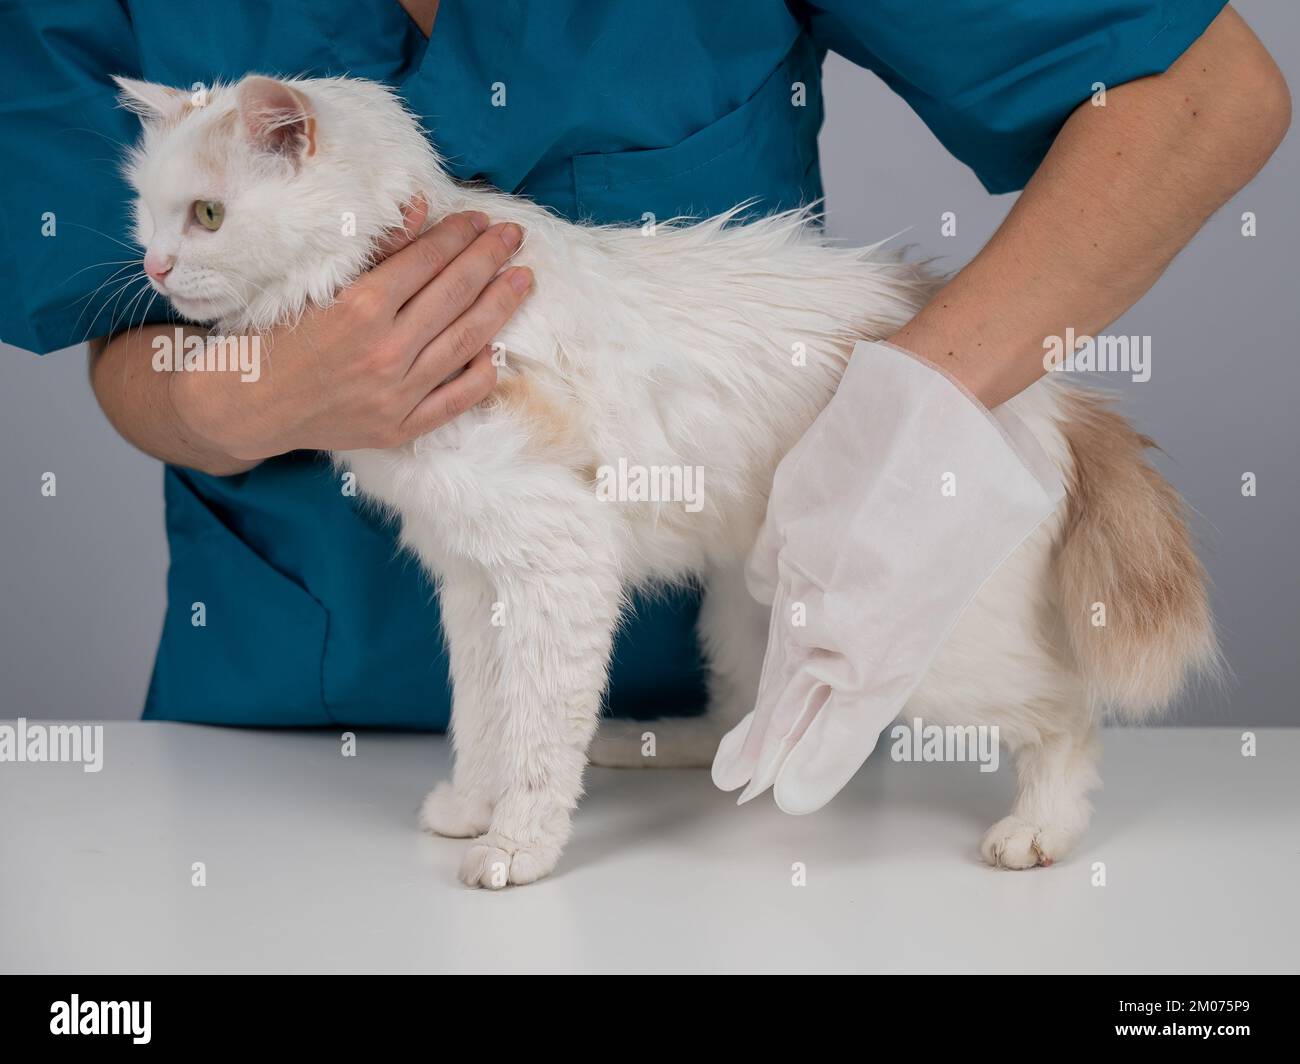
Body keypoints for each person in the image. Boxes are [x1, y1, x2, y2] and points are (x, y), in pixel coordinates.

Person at [0, 1, 1287, 730]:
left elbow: (1203, 92)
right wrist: (270, 390)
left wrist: (913, 411)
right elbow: (115, 325)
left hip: (730, 710)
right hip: (274, 728)